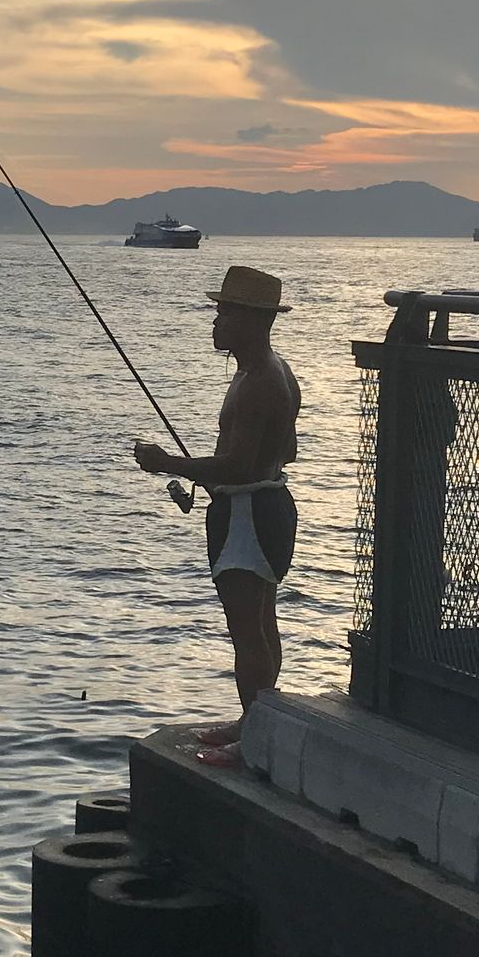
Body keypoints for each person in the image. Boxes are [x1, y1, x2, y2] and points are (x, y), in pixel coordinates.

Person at [131, 262, 301, 754]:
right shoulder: (274, 371)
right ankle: (255, 724)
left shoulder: (258, 382)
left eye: (223, 313)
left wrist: (169, 463)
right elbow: (282, 452)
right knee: (263, 624)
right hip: (263, 507)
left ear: (250, 319)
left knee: (247, 632)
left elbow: (237, 464)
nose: (215, 322)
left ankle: (254, 739)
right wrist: (216, 482)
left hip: (248, 517)